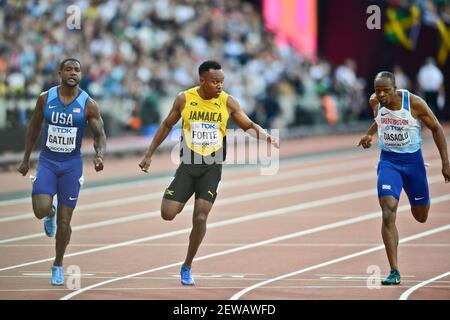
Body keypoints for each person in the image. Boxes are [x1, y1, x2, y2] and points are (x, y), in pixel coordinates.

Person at [139, 60, 278, 286]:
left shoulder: (227, 101)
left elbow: (248, 124)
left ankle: (187, 265)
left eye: (222, 82)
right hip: (188, 164)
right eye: (215, 82)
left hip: (212, 166)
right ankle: (182, 195)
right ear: (202, 81)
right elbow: (166, 125)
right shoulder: (184, 99)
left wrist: (266, 136)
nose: (220, 86)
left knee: (201, 216)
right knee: (168, 213)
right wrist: (149, 153)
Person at [17, 58, 107, 286]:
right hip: (47, 162)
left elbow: (100, 135)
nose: (73, 73)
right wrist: (26, 158)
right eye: (68, 69)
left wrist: (99, 155)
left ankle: (57, 264)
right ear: (60, 73)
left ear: (81, 74)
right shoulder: (45, 98)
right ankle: (50, 213)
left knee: (65, 224)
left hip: (71, 165)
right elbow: (34, 127)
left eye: (77, 69)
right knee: (40, 210)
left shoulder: (88, 104)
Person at [357, 71, 450, 285]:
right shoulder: (375, 101)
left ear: (395, 88)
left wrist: (445, 163)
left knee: (421, 216)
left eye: (385, 91)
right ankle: (394, 271)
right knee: (388, 212)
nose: (380, 95)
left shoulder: (414, 103)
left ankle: (413, 198)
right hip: (389, 162)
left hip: (413, 164)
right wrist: (369, 135)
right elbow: (380, 120)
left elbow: (436, 128)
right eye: (377, 90)